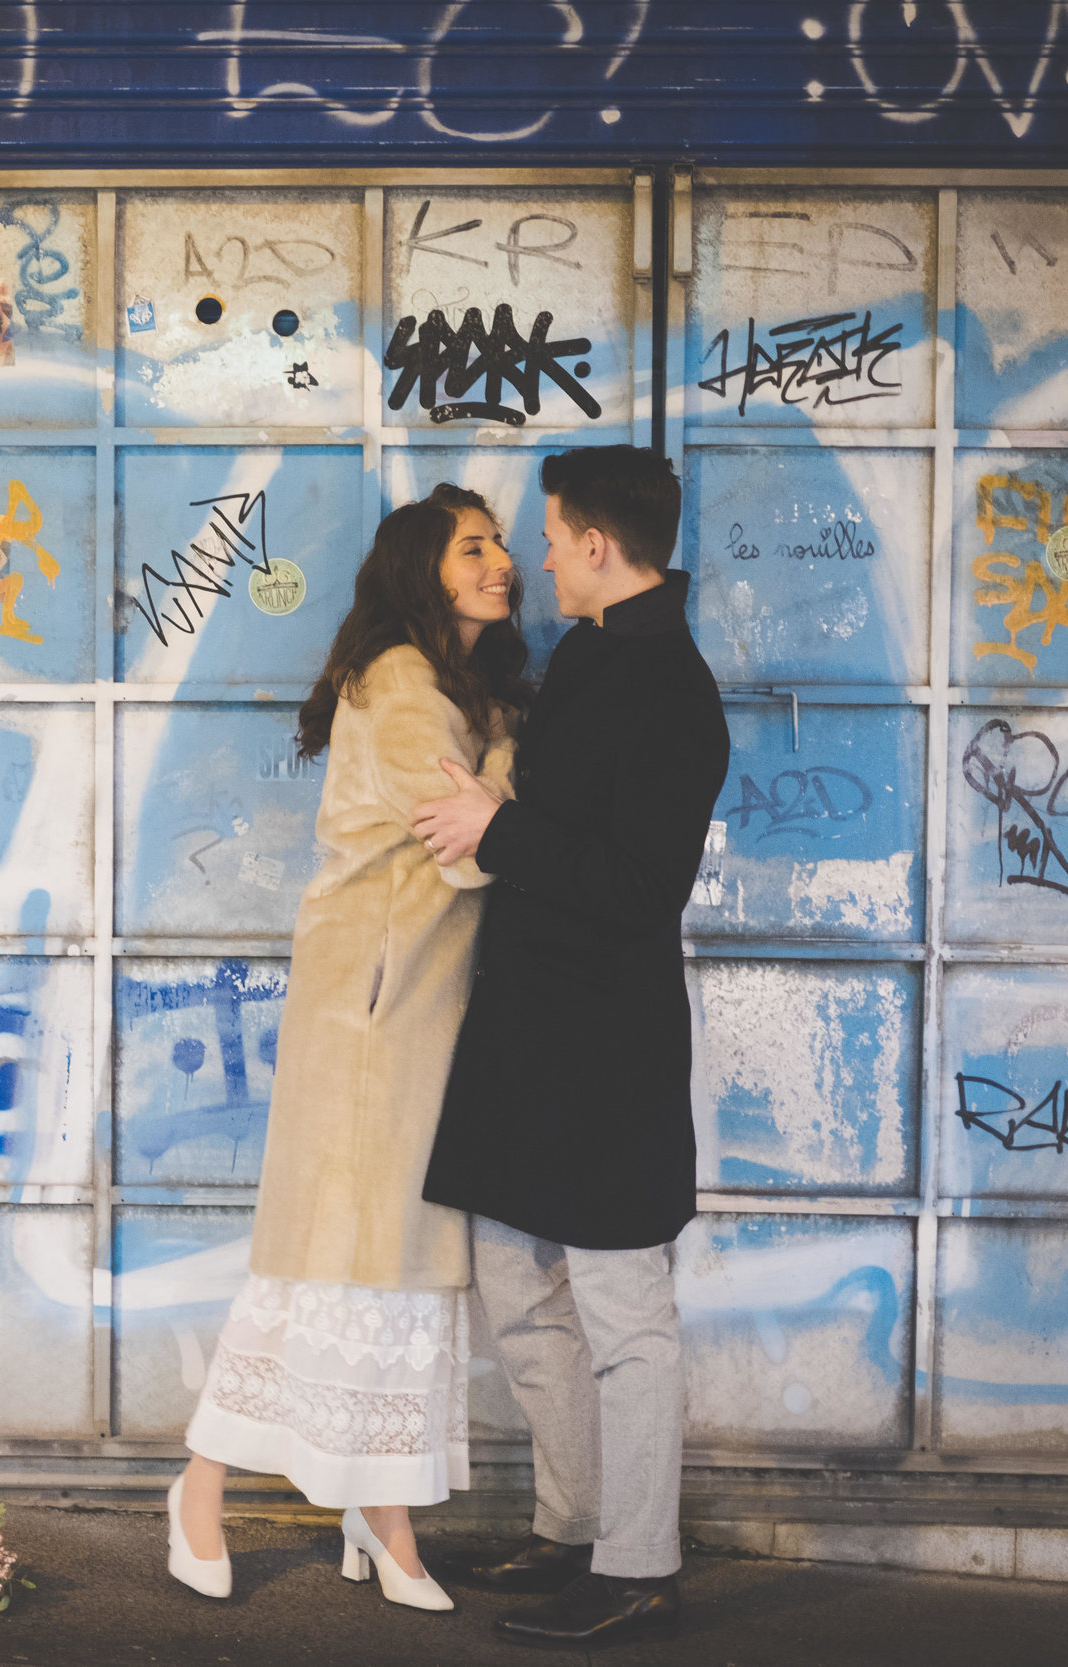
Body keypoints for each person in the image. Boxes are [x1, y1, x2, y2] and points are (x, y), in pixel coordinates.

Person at [167, 484, 531, 1611]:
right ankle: (202, 1487)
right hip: (375, 1009)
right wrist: (518, 757)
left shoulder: (442, 683)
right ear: (426, 569)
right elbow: (467, 844)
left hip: (399, 1000)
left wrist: (504, 752)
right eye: (474, 546)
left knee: (379, 1261)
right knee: (344, 1261)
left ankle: (378, 1514)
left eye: (502, 542)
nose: (502, 561)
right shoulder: (407, 685)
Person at [410, 445, 728, 1650]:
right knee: (510, 1281)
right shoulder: (593, 651)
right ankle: (574, 1521)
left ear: (598, 545)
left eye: (550, 534)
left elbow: (639, 886)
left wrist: (498, 827)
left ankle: (640, 1563)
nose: (538, 555)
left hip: (604, 1051)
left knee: (622, 1309)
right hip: (527, 1034)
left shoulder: (671, 687)